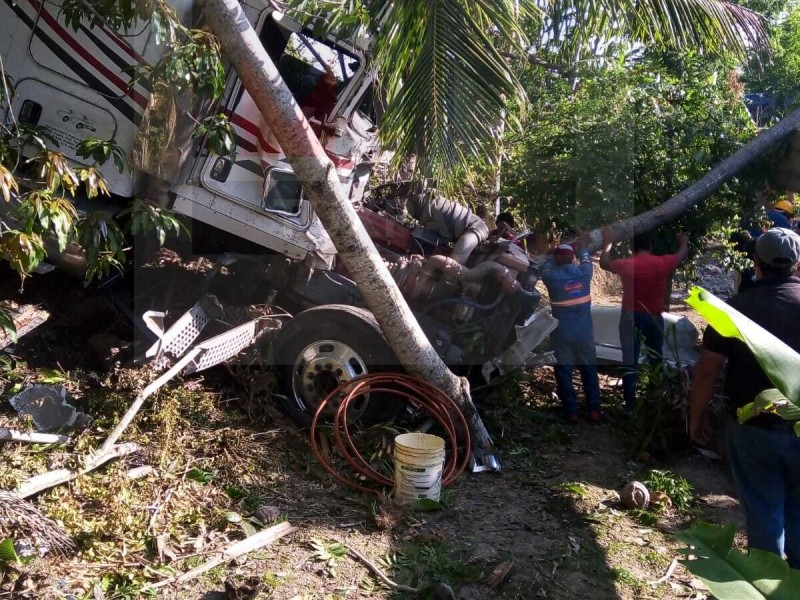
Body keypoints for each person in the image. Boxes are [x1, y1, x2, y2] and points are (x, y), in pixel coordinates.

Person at [689, 227, 800, 568]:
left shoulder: (733, 309)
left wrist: (696, 416)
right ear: (796, 264)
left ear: (756, 261)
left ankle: (769, 585)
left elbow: (707, 370)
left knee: (763, 510)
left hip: (752, 426)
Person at [599, 229, 689, 410]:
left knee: (629, 360)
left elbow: (604, 263)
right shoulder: (662, 262)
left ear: (632, 248)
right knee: (656, 358)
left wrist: (608, 242)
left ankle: (630, 404)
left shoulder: (626, 264)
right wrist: (683, 241)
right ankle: (655, 398)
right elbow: (681, 255)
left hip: (631, 317)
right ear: (651, 246)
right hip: (654, 317)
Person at [541, 233, 602, 423]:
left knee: (564, 372)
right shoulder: (584, 273)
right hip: (584, 333)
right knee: (589, 371)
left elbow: (546, 265)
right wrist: (582, 247)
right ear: (572, 259)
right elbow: (586, 259)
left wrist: (552, 253)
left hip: (562, 334)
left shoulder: (551, 277)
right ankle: (594, 411)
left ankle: (571, 412)